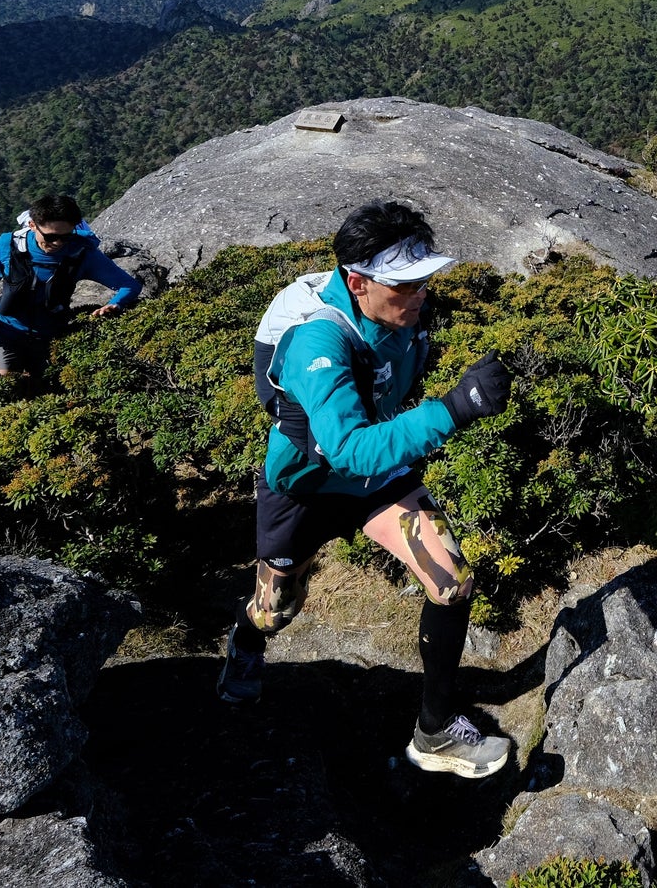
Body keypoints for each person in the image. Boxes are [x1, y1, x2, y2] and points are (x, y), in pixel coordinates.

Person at [218, 200, 515, 781]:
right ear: (357, 282)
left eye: (425, 282)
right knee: (276, 609)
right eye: (404, 286)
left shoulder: (401, 313)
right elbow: (350, 448)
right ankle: (246, 644)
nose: (420, 296)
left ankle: (433, 733)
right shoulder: (316, 341)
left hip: (377, 479)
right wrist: (457, 407)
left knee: (452, 583)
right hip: (305, 486)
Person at [0, 194, 144, 379]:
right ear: (32, 225)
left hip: (51, 338)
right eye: (51, 237)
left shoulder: (82, 253)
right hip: (5, 331)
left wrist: (115, 304)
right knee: (4, 384)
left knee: (42, 389)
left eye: (66, 236)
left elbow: (129, 284)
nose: (58, 243)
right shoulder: (9, 244)